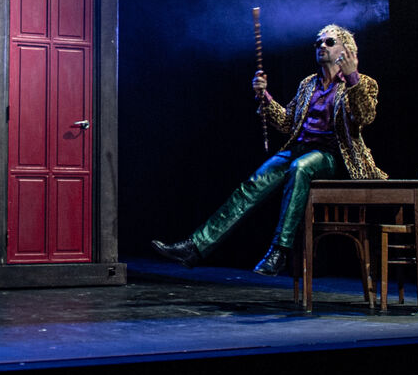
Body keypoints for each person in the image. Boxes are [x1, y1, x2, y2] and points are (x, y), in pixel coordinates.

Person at [151, 23, 385, 276]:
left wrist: (353, 78)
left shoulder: (362, 83)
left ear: (346, 50)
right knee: (255, 183)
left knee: (300, 167)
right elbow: (287, 122)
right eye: (318, 42)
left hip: (333, 156)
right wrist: (265, 97)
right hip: (300, 149)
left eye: (329, 42)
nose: (321, 46)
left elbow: (365, 116)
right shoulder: (309, 84)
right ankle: (195, 247)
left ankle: (279, 251)